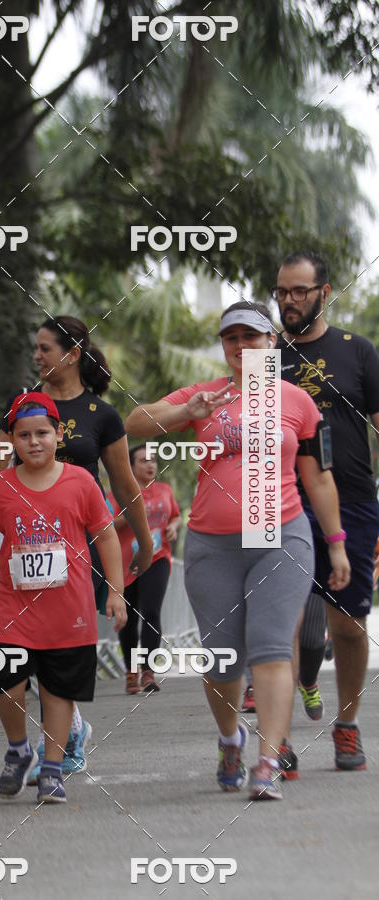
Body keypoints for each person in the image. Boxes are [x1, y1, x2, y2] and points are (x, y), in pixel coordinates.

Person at [126, 301, 350, 801]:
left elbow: (319, 477)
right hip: (213, 543)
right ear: (224, 347)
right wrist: (187, 411)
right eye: (232, 338)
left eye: (252, 337)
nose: (242, 346)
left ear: (272, 343)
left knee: (271, 649)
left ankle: (268, 760)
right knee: (223, 661)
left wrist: (336, 545)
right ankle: (232, 739)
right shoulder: (205, 395)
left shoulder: (298, 402)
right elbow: (136, 422)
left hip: (280, 536)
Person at [0, 316, 152, 779]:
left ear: (72, 354)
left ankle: (58, 739)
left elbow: (123, 482)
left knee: (59, 643)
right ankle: (68, 727)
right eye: (34, 348)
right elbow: (0, 477)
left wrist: (145, 538)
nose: (36, 356)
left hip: (78, 544)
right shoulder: (19, 405)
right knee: (22, 646)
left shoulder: (102, 415)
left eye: (45, 348)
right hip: (22, 546)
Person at [0, 392, 126, 804]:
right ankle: (18, 749)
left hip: (68, 609)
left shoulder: (80, 482)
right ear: (11, 440)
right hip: (15, 608)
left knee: (57, 690)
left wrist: (115, 591)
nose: (34, 442)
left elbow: (107, 535)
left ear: (58, 434)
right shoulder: (1, 488)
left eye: (42, 433)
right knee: (5, 679)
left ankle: (51, 768)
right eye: (23, 435)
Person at [276, 251, 379, 770]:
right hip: (281, 503)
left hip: (354, 501)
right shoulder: (263, 358)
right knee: (283, 622)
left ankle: (347, 724)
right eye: (281, 292)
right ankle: (278, 738)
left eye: (299, 291)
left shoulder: (357, 351)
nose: (288, 301)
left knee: (348, 623)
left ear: (325, 291)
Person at [108, 444, 182, 693]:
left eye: (153, 460)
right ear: (130, 466)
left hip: (157, 557)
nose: (150, 465)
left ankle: (148, 672)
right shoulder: (117, 493)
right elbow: (107, 525)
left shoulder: (164, 490)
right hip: (126, 562)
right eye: (143, 460)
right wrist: (131, 510)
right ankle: (131, 671)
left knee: (151, 611)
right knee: (127, 618)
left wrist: (173, 525)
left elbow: (175, 515)